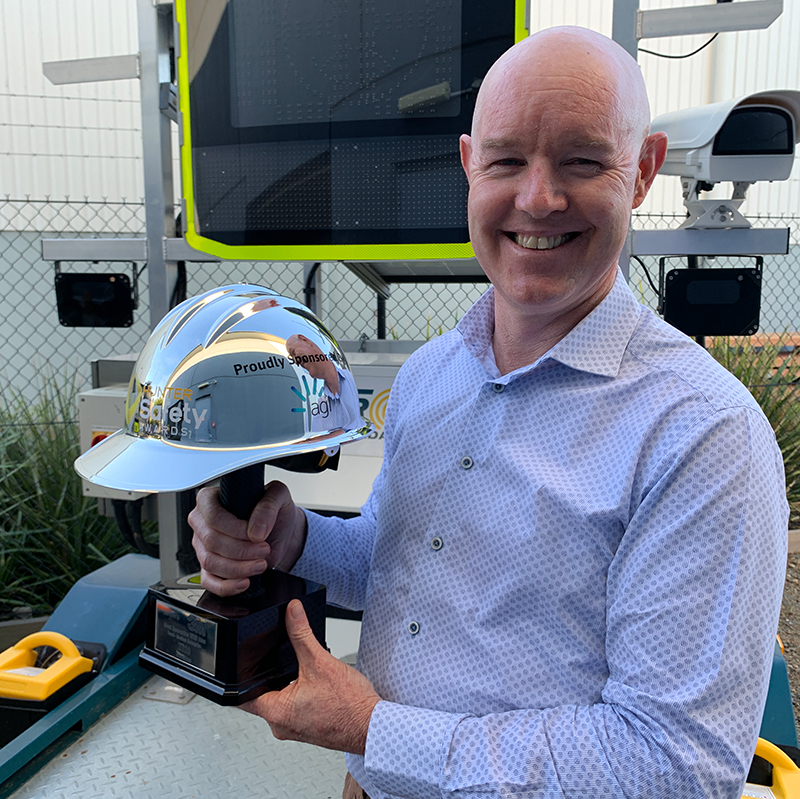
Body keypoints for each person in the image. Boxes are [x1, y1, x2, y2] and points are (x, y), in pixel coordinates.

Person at [189, 26, 788, 798]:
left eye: (581, 159)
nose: (537, 198)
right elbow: (400, 565)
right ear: (470, 166)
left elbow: (673, 763)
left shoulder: (704, 434)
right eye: (507, 160)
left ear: (641, 172)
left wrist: (373, 731)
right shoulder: (434, 373)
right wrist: (291, 539)